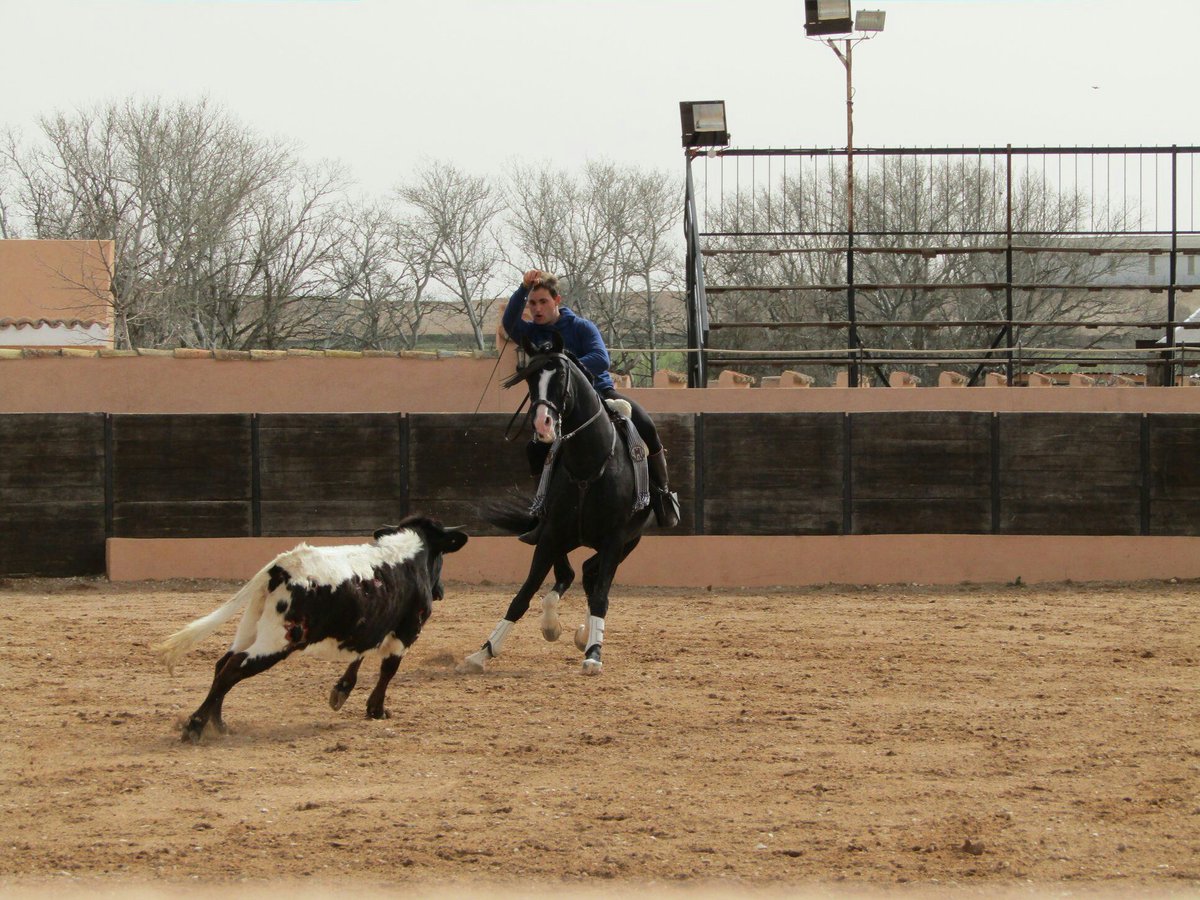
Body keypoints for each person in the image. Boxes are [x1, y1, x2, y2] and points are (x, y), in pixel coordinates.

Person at [502, 269, 680, 529]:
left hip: (600, 396)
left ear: (557, 300)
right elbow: (510, 323)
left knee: (646, 424)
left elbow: (601, 359)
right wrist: (521, 289)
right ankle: (542, 509)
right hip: (558, 406)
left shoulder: (581, 327)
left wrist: (570, 374)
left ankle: (662, 496)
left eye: (543, 302)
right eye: (532, 303)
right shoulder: (532, 333)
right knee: (535, 447)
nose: (537, 308)